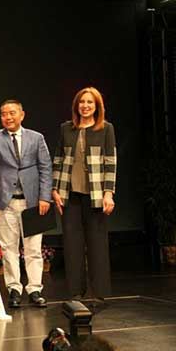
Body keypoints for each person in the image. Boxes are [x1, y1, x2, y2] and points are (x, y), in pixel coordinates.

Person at [0, 99, 52, 308]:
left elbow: (45, 168)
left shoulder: (36, 138)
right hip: (5, 201)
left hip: (32, 201)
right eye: (4, 114)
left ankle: (35, 289)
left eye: (12, 113)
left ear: (22, 114)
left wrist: (45, 197)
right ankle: (14, 289)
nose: (8, 117)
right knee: (8, 248)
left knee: (33, 248)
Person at [51, 87, 116, 303]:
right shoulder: (66, 129)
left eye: (90, 102)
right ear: (76, 106)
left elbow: (110, 162)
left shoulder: (106, 129)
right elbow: (58, 160)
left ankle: (99, 292)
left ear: (97, 107)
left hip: (96, 194)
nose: (85, 106)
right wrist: (55, 190)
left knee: (97, 243)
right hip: (70, 194)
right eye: (82, 102)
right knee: (72, 244)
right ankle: (75, 292)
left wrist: (109, 193)